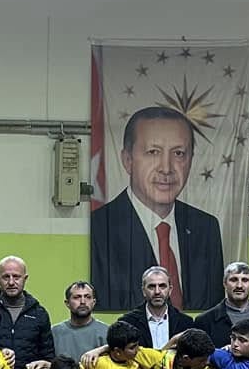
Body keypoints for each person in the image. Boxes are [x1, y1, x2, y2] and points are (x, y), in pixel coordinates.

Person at [90, 105, 224, 312]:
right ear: (127, 160)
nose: (166, 168)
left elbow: (214, 306)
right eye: (153, 152)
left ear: (190, 161)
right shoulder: (100, 227)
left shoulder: (206, 227)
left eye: (179, 153)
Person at [0, 256, 55, 369]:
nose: (11, 282)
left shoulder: (39, 314)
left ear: (25, 278)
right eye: (6, 277)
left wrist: (44, 364)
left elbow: (48, 357)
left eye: (16, 277)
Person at [193, 261, 249, 350]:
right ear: (225, 284)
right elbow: (199, 357)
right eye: (233, 280)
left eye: (245, 280)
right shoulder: (205, 321)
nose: (239, 285)